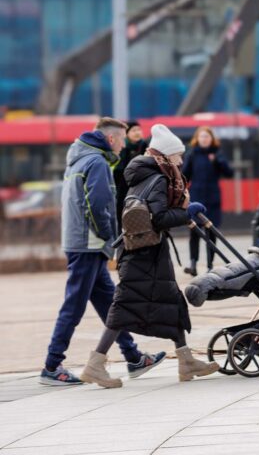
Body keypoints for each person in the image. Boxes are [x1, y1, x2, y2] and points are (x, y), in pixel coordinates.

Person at [80, 124, 219, 388]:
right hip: (141, 254)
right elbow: (159, 217)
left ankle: (186, 360)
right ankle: (95, 364)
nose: (181, 159)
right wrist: (187, 213)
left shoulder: (148, 174)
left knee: (172, 301)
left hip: (148, 251)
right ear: (165, 156)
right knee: (124, 307)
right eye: (177, 155)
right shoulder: (157, 178)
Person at [41, 118, 163, 386]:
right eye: (121, 139)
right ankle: (51, 365)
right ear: (110, 139)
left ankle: (132, 357)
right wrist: (110, 236)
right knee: (73, 306)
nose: (123, 144)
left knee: (110, 304)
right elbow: (95, 206)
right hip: (88, 245)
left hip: (83, 243)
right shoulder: (96, 162)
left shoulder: (80, 159)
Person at [182, 126, 234, 276]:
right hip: (196, 197)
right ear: (197, 139)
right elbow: (184, 175)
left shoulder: (217, 154)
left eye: (207, 137)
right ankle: (193, 264)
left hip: (212, 198)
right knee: (194, 232)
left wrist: (217, 160)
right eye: (202, 137)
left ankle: (210, 265)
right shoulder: (192, 154)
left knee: (211, 233)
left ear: (212, 139)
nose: (204, 139)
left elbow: (229, 173)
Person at [114, 121, 148, 231]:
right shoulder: (122, 148)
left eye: (139, 129)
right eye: (134, 130)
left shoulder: (146, 147)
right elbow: (117, 171)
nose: (137, 132)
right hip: (123, 188)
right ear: (127, 134)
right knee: (122, 216)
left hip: (142, 188)